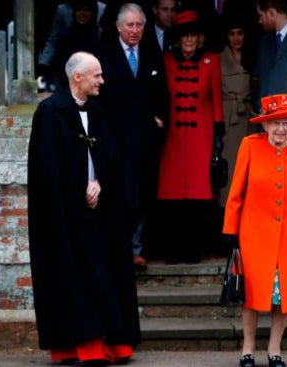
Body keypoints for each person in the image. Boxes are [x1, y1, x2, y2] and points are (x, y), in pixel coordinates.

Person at [27, 51, 141, 366]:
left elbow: (112, 157)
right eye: (97, 75)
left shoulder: (99, 113)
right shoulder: (50, 113)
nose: (102, 81)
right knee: (73, 278)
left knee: (105, 275)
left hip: (101, 212)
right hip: (66, 216)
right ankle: (76, 347)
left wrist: (100, 181)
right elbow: (47, 169)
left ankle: (113, 343)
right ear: (78, 77)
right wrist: (80, 188)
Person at [222, 93, 287, 367]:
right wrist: (230, 231)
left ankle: (274, 349)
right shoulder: (249, 146)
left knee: (282, 296)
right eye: (275, 123)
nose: (281, 129)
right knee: (252, 294)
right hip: (254, 235)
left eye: (286, 123)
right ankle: (247, 349)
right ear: (264, 125)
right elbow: (236, 193)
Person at [96, 2, 168, 268]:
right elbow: (97, 98)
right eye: (130, 25)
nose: (135, 30)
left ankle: (136, 248)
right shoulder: (103, 54)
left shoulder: (151, 52)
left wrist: (160, 120)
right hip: (114, 138)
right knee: (117, 194)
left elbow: (162, 91)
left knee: (143, 193)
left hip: (145, 138)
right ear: (118, 26)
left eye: (139, 25)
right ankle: (117, 249)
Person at [157, 10, 224, 263]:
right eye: (184, 35)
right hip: (172, 136)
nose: (189, 40)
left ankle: (194, 250)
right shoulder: (166, 60)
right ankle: (173, 251)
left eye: (193, 35)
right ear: (176, 38)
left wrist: (218, 135)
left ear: (200, 38)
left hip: (201, 136)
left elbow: (216, 98)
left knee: (198, 194)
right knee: (172, 193)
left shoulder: (211, 60)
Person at [218, 14, 254, 208]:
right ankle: (227, 211)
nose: (236, 38)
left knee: (249, 166)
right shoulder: (219, 59)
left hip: (249, 117)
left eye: (240, 33)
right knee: (230, 165)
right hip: (229, 118)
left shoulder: (253, 56)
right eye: (232, 34)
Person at [37, 0, 106, 91]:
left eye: (86, 10)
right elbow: (54, 42)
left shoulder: (99, 38)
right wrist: (44, 68)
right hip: (68, 81)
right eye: (79, 10)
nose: (82, 14)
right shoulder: (65, 36)